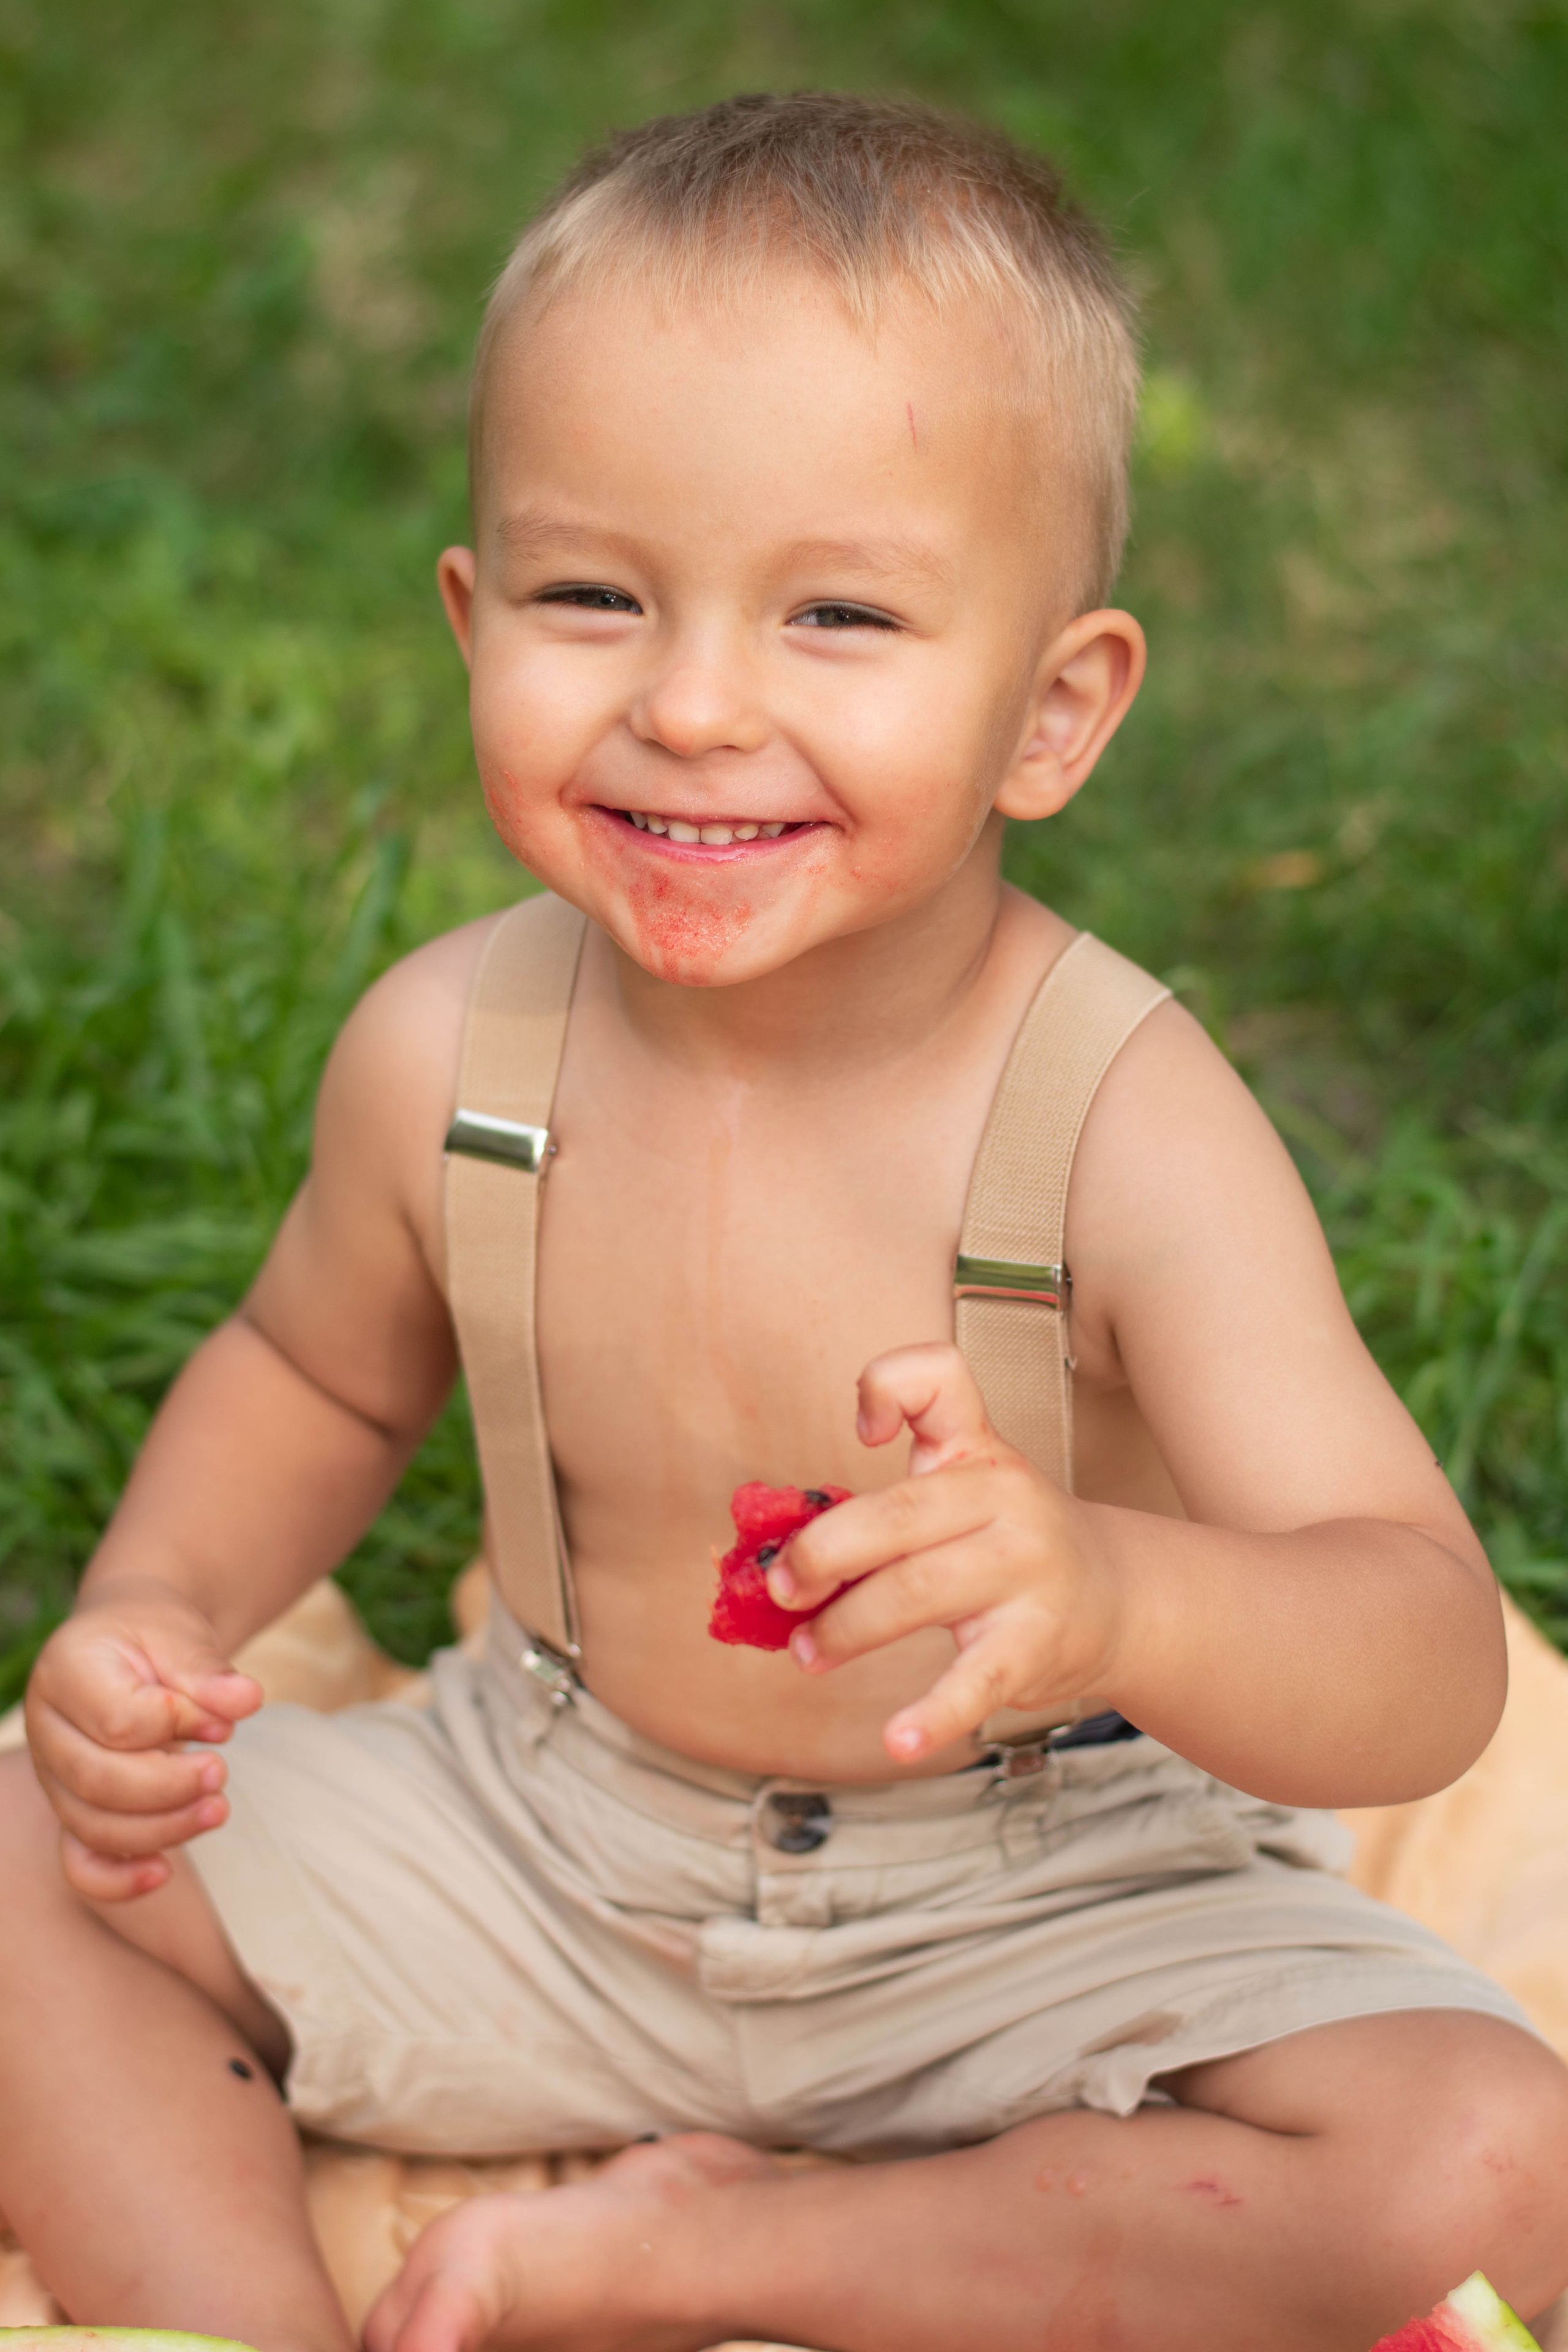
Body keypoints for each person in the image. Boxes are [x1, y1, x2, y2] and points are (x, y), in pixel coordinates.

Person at [2, 90, 1564, 2352]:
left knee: (1489, 2160)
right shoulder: (452, 1056)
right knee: (17, 1861)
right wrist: (150, 1614)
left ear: (1054, 709)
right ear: (469, 618)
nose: (695, 702)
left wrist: (1110, 1588)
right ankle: (251, 2326)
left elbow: (1424, 1649)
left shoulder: (1123, 1129)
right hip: (551, 1831)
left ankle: (714, 2256)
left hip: (1040, 1890)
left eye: (837, 612)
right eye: (590, 595)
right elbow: (316, 1373)